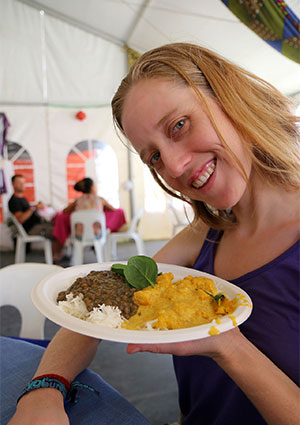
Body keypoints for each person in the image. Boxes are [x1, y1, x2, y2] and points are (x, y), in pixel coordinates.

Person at [5, 42, 299, 425]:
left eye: (179, 125)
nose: (174, 166)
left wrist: (227, 346)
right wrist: (44, 389)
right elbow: (99, 305)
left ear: (228, 95)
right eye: (154, 157)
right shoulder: (206, 235)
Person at [8, 174, 64, 261]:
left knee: (60, 225)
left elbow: (29, 211)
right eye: (19, 183)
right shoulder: (14, 201)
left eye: (23, 183)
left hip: (36, 226)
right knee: (59, 229)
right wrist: (34, 208)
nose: (22, 185)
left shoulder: (22, 198)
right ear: (13, 184)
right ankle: (54, 257)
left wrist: (37, 207)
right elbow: (21, 219)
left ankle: (56, 255)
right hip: (30, 229)